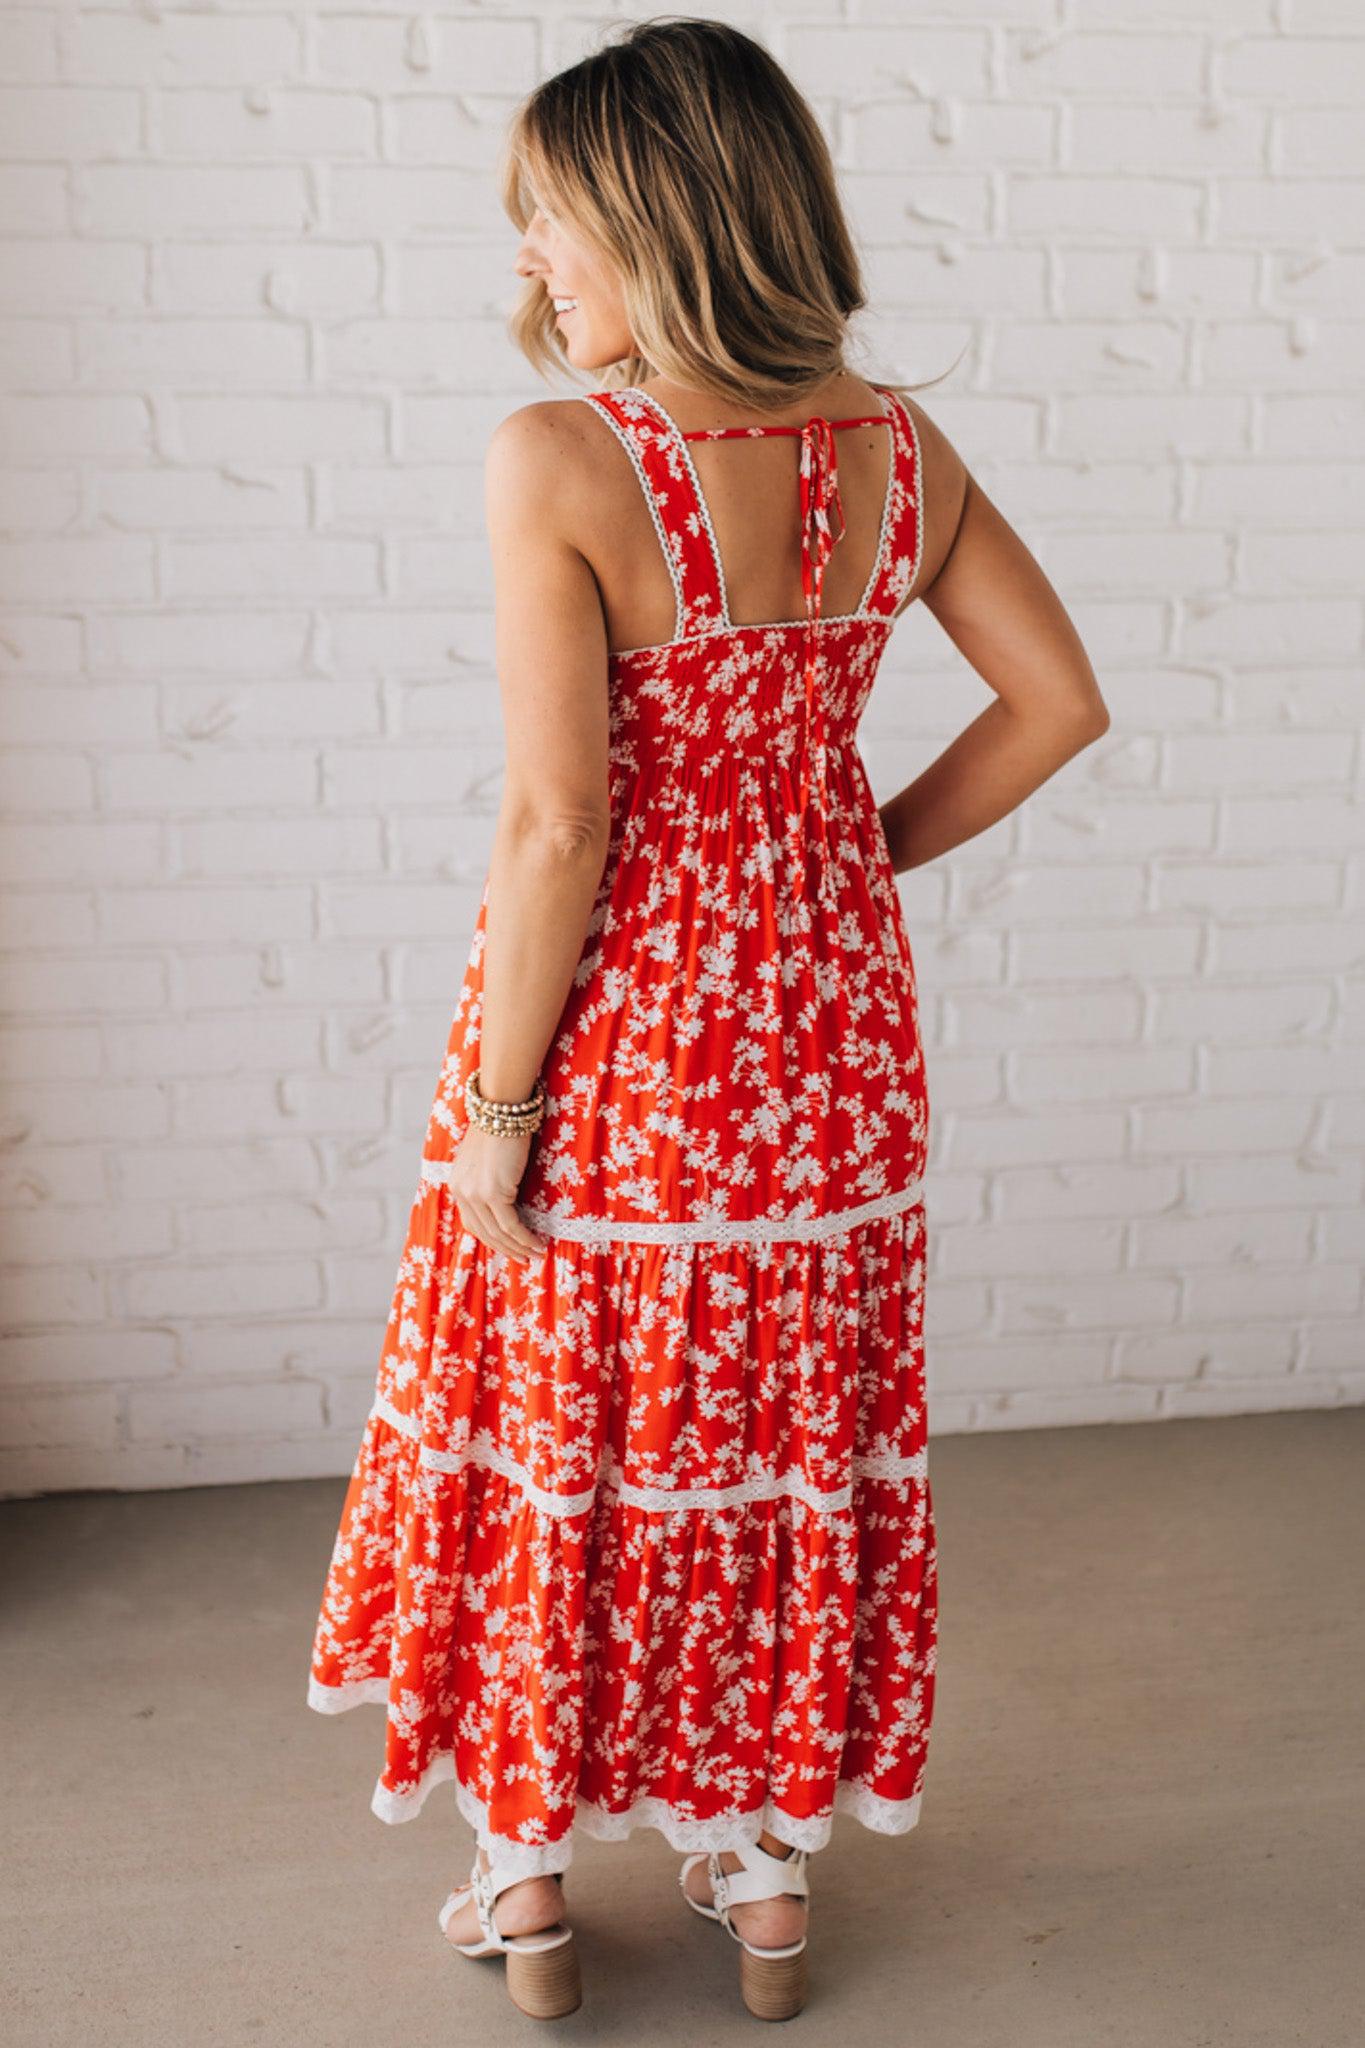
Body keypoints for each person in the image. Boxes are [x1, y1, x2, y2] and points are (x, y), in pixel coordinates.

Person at [306, 16, 1109, 2025]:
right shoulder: (892, 451)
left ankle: (532, 1890)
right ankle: (760, 1879)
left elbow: (562, 818)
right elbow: (1056, 703)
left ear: (665, 226)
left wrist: (498, 1108)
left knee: (559, 1428)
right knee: (770, 1432)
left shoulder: (567, 459)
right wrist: (838, 858)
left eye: (555, 231)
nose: (531, 277)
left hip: (622, 1047)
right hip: (828, 1055)